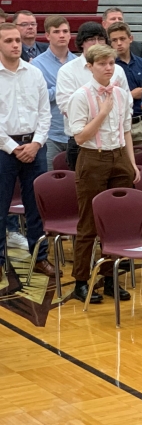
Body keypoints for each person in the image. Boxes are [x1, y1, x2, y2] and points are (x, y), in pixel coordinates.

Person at [67, 44, 141, 304]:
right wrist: (102, 113)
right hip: (92, 158)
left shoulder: (122, 94)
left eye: (111, 63)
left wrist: (131, 163)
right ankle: (80, 281)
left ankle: (110, 278)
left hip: (119, 155)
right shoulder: (81, 95)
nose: (108, 68)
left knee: (117, 224)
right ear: (90, 67)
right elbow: (79, 136)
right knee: (88, 223)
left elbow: (128, 130)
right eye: (102, 64)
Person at [0, 22, 55, 280]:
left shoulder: (34, 73)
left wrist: (36, 143)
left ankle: (39, 257)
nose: (14, 45)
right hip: (3, 149)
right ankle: (0, 260)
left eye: (17, 40)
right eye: (8, 40)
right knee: (1, 208)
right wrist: (13, 147)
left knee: (37, 207)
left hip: (35, 147)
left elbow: (45, 112)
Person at [57, 22, 129, 172]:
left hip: (115, 143)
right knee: (86, 192)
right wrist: (102, 113)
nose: (97, 43)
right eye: (91, 39)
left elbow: (126, 104)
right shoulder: (67, 70)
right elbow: (66, 107)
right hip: (83, 144)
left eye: (100, 39)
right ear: (82, 43)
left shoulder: (118, 70)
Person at [31, 15, 77, 168]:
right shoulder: (37, 65)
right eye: (56, 31)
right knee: (50, 181)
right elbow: (39, 97)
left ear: (70, 34)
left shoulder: (79, 63)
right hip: (50, 133)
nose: (62, 35)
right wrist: (64, 89)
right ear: (47, 35)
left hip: (76, 132)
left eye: (65, 31)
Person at [108, 22, 142, 148]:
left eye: (122, 39)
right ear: (110, 43)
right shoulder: (108, 67)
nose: (119, 43)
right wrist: (131, 95)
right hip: (117, 123)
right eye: (114, 40)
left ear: (130, 39)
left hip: (141, 120)